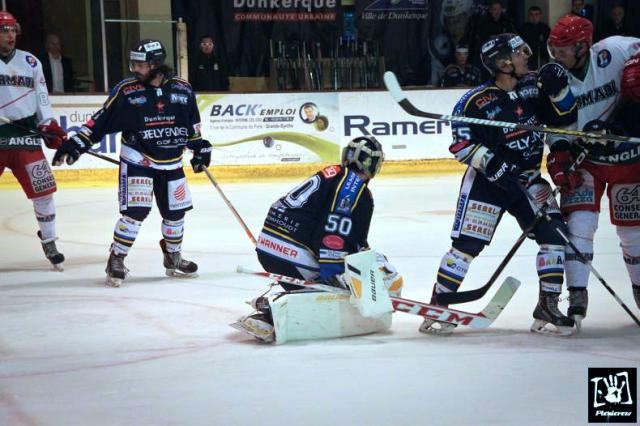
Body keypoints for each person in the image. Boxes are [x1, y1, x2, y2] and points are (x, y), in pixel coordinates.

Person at [422, 33, 575, 336]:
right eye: (519, 54)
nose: (526, 58)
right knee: (467, 247)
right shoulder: (474, 102)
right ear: (503, 63)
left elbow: (566, 116)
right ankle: (438, 305)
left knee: (554, 235)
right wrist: (492, 163)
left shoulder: (534, 88)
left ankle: (547, 304)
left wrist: (560, 91)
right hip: (487, 185)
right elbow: (462, 145)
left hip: (528, 181)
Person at [52, 39, 212, 287]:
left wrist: (200, 147)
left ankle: (173, 256)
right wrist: (78, 143)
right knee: (135, 213)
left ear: (156, 64)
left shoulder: (182, 89)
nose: (134, 68)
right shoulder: (127, 90)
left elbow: (192, 126)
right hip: (139, 160)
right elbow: (101, 120)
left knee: (175, 214)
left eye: (140, 64)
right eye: (133, 63)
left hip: (172, 162)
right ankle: (116, 259)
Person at [233, 136, 403, 343]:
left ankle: (277, 302)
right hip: (293, 253)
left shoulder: (334, 174)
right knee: (380, 268)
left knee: (358, 264)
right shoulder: (352, 186)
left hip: (270, 248)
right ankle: (274, 313)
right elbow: (333, 234)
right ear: (373, 164)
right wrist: (338, 277)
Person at [538, 15, 640, 326]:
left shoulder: (615, 51)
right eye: (552, 48)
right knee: (580, 226)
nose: (556, 55)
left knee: (633, 234)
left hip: (629, 158)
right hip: (587, 162)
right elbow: (553, 125)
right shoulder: (555, 77)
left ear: (583, 46)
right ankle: (577, 296)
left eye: (563, 49)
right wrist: (558, 156)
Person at [0, 11, 67, 270]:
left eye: (13, 30)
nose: (10, 35)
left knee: (44, 192)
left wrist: (47, 124)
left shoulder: (30, 61)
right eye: (4, 30)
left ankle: (49, 239)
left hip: (25, 137)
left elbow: (41, 96)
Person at [518, 6, 550, 70]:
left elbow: (549, 44)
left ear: (540, 15)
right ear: (528, 16)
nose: (534, 17)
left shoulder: (545, 28)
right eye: (531, 15)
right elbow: (520, 44)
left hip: (541, 57)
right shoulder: (523, 28)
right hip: (527, 57)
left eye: (536, 15)